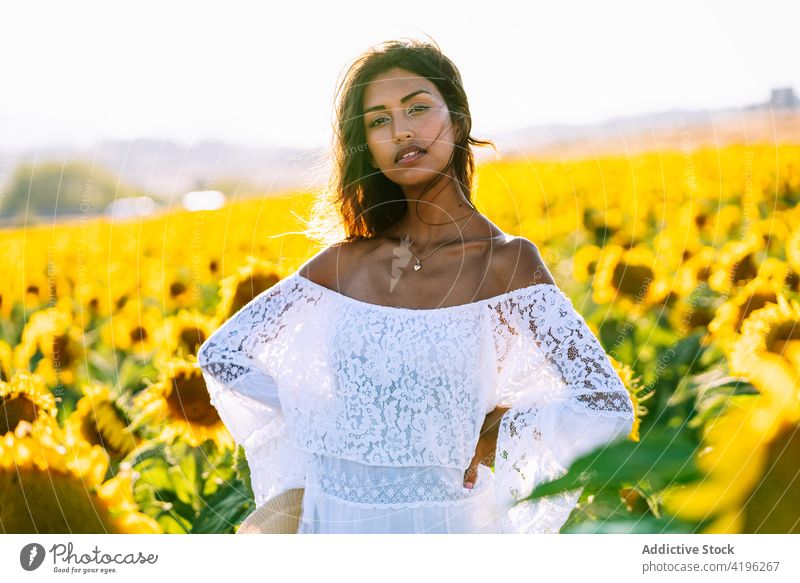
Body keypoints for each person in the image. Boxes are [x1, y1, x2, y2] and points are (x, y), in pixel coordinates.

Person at [196, 38, 635, 534]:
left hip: (444, 526)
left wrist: (501, 429)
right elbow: (224, 356)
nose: (401, 129)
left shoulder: (506, 263)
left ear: (459, 119)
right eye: (378, 120)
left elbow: (605, 404)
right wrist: (327, 422)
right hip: (334, 521)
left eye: (418, 109)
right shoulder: (345, 264)